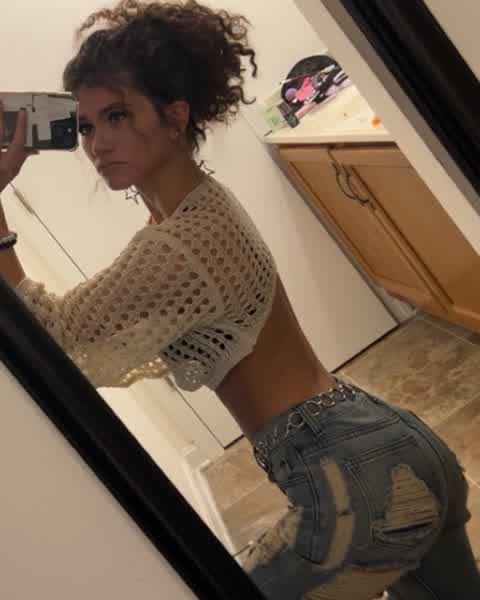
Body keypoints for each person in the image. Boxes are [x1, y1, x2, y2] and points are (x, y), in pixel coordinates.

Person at [0, 1, 478, 598]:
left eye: (118, 115)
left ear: (175, 116)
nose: (99, 142)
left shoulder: (182, 244)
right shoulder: (200, 208)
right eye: (88, 126)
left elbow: (54, 337)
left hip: (354, 474)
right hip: (391, 439)